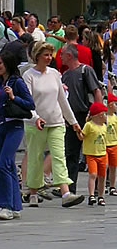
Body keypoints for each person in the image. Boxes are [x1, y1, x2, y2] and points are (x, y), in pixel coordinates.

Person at [23, 40, 84, 207]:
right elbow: (27, 102)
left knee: (59, 156)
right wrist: (35, 118)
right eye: (46, 55)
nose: (49, 58)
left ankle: (65, 193)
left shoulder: (55, 74)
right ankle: (33, 192)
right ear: (37, 56)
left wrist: (73, 122)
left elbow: (62, 100)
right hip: (35, 124)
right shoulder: (29, 76)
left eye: (51, 54)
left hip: (56, 121)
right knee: (35, 157)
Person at [0, 47, 35, 220]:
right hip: (0, 126)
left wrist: (13, 98)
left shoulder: (17, 82)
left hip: (14, 126)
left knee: (3, 164)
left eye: (0, 63)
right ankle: (15, 205)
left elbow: (30, 104)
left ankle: (5, 205)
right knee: (9, 165)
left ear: (8, 64)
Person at [61, 43, 103, 193]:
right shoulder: (65, 75)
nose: (60, 57)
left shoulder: (86, 70)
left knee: (94, 153)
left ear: (69, 55)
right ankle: (70, 188)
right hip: (71, 118)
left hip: (86, 116)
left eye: (62, 54)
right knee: (71, 153)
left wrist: (98, 113)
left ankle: (98, 188)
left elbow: (96, 90)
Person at [81, 100, 109, 206]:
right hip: (91, 154)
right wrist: (78, 132)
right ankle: (92, 195)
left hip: (102, 154)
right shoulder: (89, 125)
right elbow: (82, 136)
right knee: (93, 174)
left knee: (102, 177)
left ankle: (101, 196)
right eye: (104, 113)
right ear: (99, 115)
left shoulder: (104, 127)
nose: (106, 116)